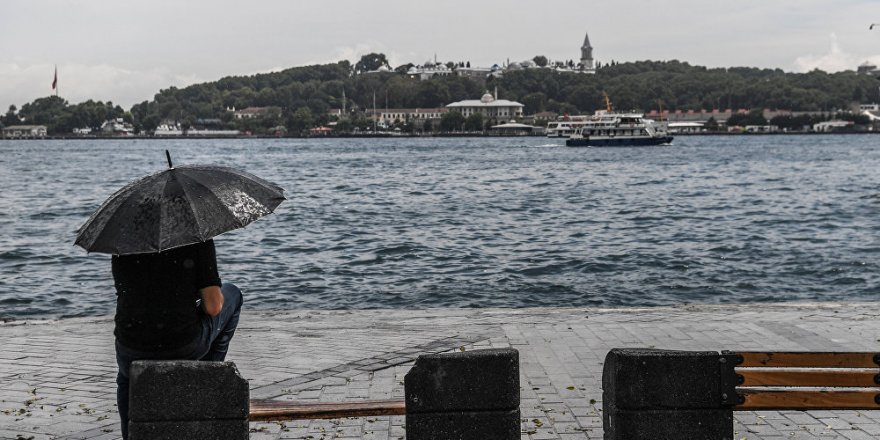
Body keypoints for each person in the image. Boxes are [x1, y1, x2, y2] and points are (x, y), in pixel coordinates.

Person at [112, 239, 242, 439]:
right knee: (233, 293)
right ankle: (206, 377)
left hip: (131, 346)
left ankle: (130, 433)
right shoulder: (196, 240)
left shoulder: (123, 242)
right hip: (182, 343)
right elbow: (213, 307)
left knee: (126, 375)